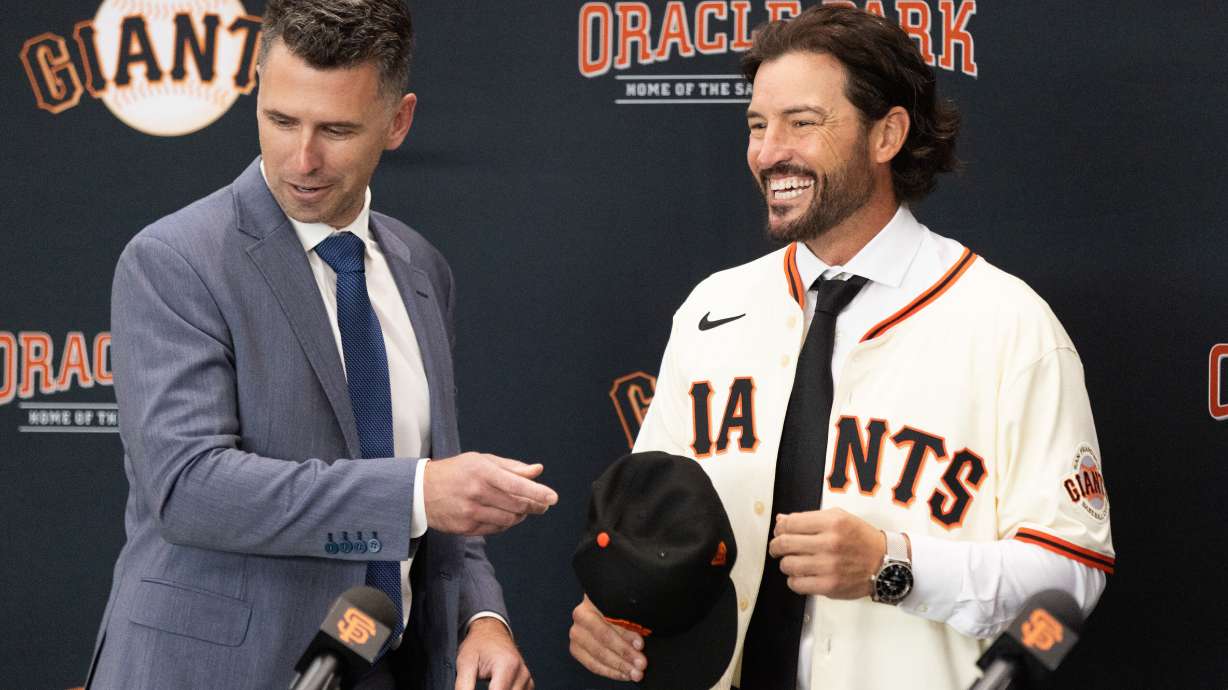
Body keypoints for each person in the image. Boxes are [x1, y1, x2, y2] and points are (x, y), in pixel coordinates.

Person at [569, 6, 1114, 689]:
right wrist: (617, 606)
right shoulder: (714, 308)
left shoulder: (1007, 324)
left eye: (802, 122)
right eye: (757, 126)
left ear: (886, 133)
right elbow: (652, 526)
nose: (769, 153)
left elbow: (1073, 579)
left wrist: (896, 565)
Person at [85, 2, 553, 688]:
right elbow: (187, 489)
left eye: (336, 129)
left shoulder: (421, 269)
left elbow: (442, 499)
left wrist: (481, 620)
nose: (301, 159)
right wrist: (417, 494)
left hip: (384, 666)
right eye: (281, 121)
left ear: (398, 122)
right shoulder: (173, 261)